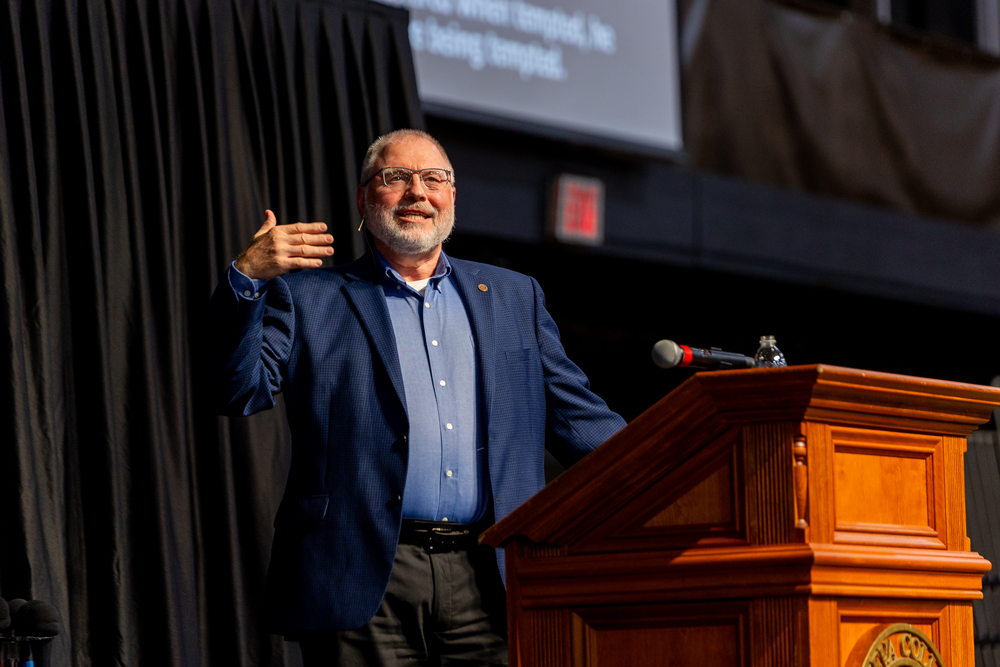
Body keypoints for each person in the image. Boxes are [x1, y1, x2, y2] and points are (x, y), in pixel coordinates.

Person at [209, 129, 626, 666]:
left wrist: (670, 468)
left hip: (490, 576)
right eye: (395, 177)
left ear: (452, 196)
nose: (417, 191)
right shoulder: (308, 297)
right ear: (364, 198)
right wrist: (246, 279)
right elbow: (236, 390)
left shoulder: (514, 296)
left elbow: (581, 420)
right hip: (362, 573)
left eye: (434, 178)